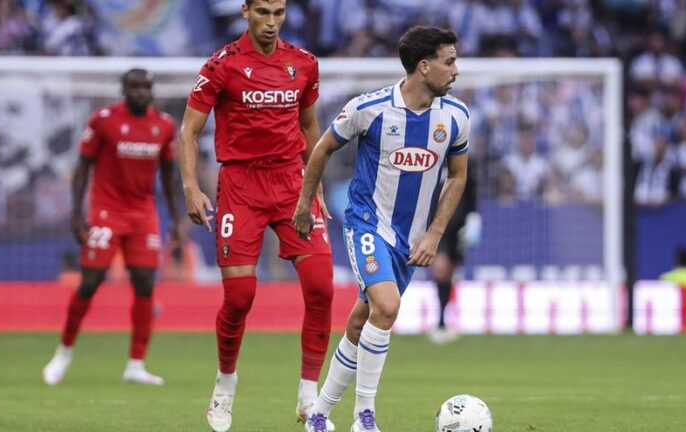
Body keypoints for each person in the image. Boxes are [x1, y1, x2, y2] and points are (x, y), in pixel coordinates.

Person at [294, 26, 470, 432]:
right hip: (367, 224)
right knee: (387, 308)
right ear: (424, 67)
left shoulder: (457, 117)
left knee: (361, 322)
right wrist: (306, 203)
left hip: (411, 241)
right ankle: (364, 416)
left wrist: (434, 234)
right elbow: (321, 148)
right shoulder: (369, 108)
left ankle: (318, 415)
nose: (456, 70)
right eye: (449, 61)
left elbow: (457, 177)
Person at [177, 1, 335, 431]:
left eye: (279, 12)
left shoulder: (303, 63)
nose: (271, 22)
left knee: (321, 287)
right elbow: (189, 130)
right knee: (241, 297)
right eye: (262, 11)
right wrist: (191, 186)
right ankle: (225, 386)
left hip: (291, 185)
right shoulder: (221, 65)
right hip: (241, 187)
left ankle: (309, 399)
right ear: (245, 11)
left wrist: (314, 178)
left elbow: (309, 126)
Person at [42, 69, 180, 386]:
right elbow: (83, 166)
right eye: (135, 87)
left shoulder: (164, 125)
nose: (142, 92)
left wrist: (176, 220)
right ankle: (63, 353)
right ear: (124, 90)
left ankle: (135, 364)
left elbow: (169, 175)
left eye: (146, 87)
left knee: (145, 283)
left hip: (143, 213)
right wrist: (78, 214)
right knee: (90, 281)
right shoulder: (103, 120)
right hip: (107, 210)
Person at [428, 159, 478, 345]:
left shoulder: (465, 161)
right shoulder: (433, 158)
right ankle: (440, 322)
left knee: (449, 273)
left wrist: (473, 218)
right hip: (437, 226)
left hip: (458, 226)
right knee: (440, 270)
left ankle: (442, 321)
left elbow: (472, 193)